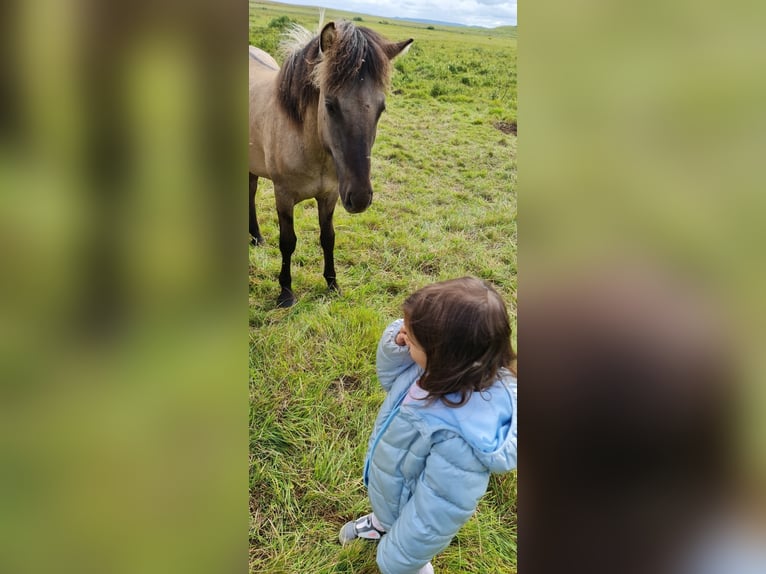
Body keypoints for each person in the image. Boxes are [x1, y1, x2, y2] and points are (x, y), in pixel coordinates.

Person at [339, 277, 518, 574]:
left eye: (412, 338)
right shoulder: (433, 371)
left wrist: (398, 557)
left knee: (407, 559)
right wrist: (399, 344)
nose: (403, 334)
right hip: (395, 488)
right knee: (390, 508)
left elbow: (434, 514)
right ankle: (383, 522)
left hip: (413, 521)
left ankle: (403, 552)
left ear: (444, 355)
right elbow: (389, 378)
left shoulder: (459, 438)